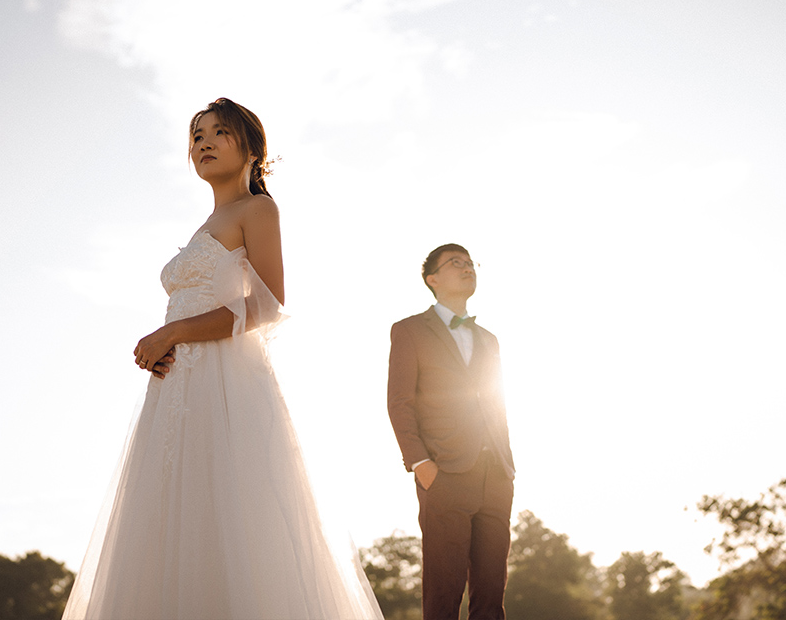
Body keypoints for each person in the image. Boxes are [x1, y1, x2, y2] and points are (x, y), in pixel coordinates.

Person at [63, 98, 382, 620]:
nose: (203, 143)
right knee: (172, 523)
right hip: (176, 391)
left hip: (227, 386)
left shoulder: (259, 209)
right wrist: (163, 349)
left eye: (218, 133)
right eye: (196, 135)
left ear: (251, 147)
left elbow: (267, 304)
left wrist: (175, 330)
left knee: (234, 518)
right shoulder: (204, 224)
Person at [387, 244, 516, 620]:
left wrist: (507, 467)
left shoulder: (489, 339)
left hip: (495, 476)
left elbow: (497, 403)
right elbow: (400, 402)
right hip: (443, 474)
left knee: (491, 597)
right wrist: (422, 464)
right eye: (455, 262)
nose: (466, 267)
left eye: (469, 262)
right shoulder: (409, 330)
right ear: (433, 279)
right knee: (444, 595)